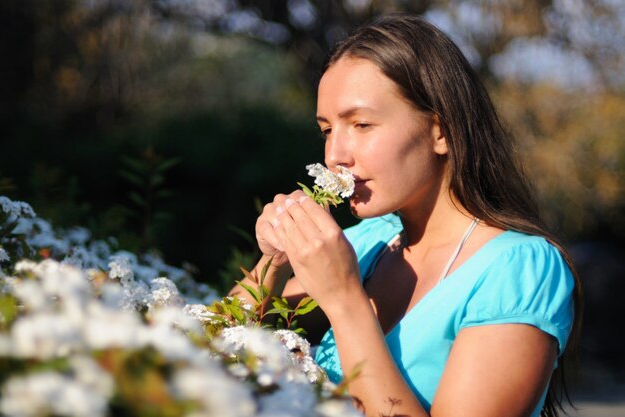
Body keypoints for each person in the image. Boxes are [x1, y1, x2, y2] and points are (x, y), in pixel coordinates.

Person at [230, 13, 581, 417]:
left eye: (361, 124)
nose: (334, 157)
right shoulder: (370, 241)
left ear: (441, 131)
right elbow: (209, 347)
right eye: (327, 130)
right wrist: (275, 261)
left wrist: (345, 300)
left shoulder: (519, 270)